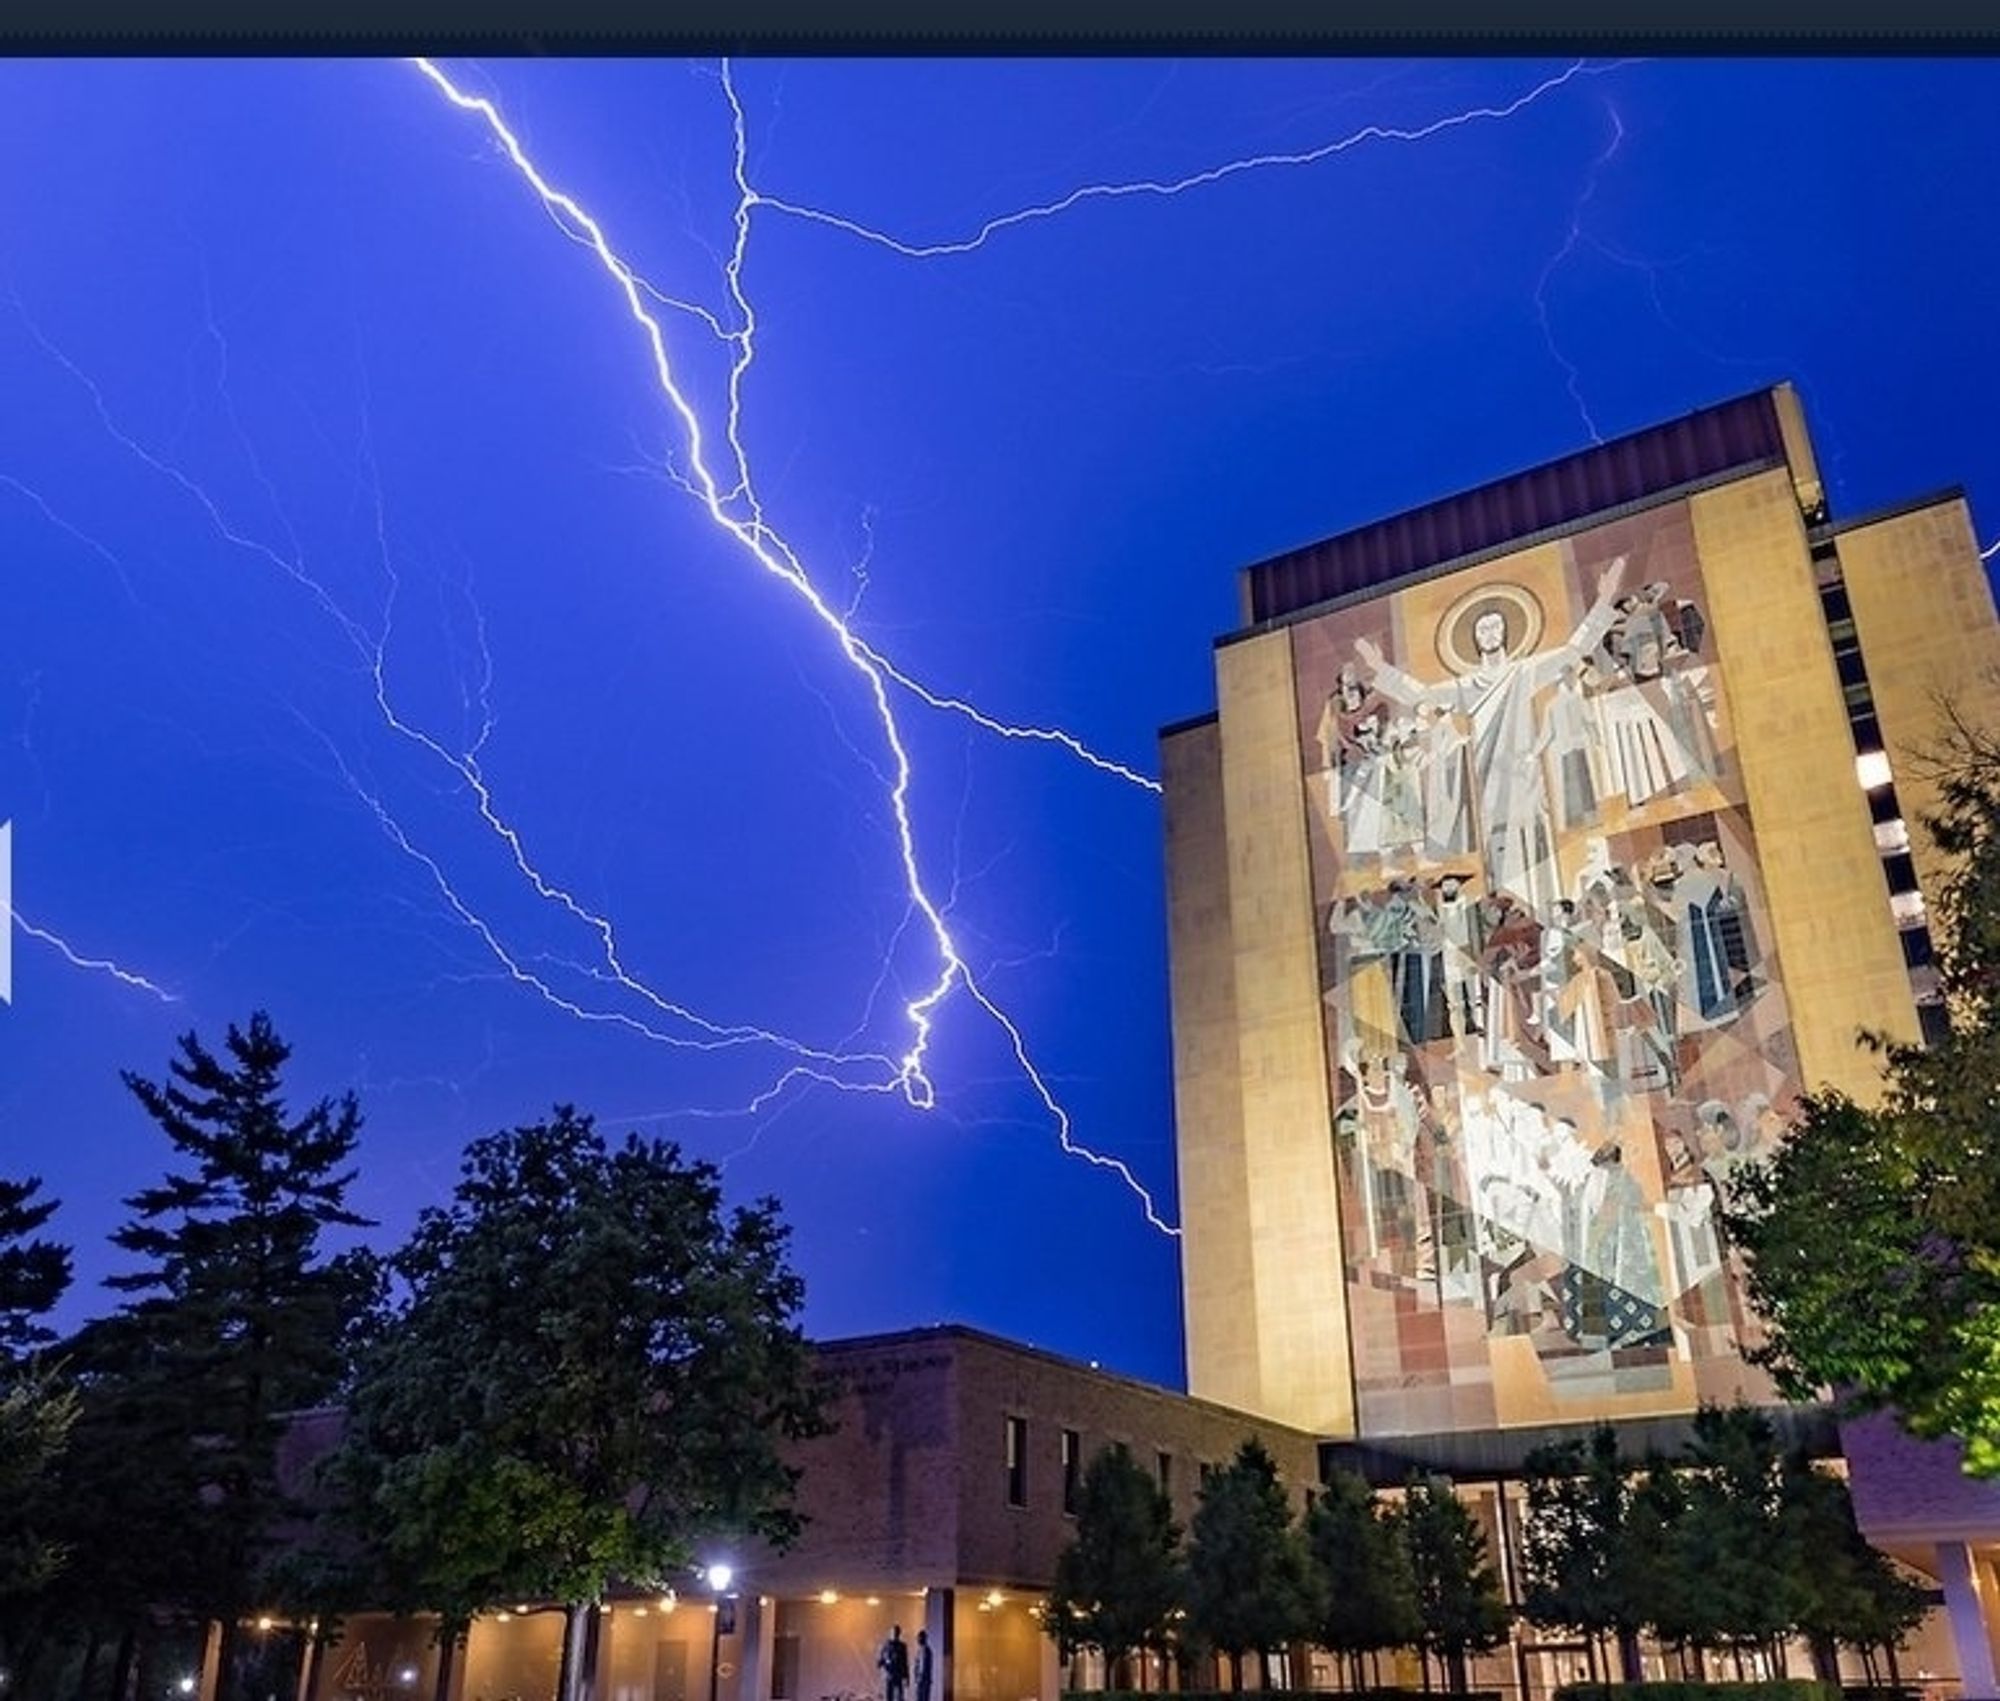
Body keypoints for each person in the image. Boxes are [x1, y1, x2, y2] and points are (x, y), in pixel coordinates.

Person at [879, 1625, 910, 1701]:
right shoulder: (886, 1645)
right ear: (890, 1633)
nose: (894, 1634)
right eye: (893, 1632)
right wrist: (882, 1663)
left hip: (898, 1675)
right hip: (889, 1675)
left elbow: (905, 1662)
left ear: (899, 1634)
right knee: (889, 1697)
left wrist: (906, 1677)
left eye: (896, 1633)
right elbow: (881, 1659)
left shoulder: (902, 1646)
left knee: (899, 1697)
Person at [913, 1629, 934, 1701]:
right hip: (922, 1681)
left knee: (922, 1698)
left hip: (923, 1681)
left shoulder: (925, 1650)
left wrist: (919, 1679)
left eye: (919, 1638)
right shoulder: (920, 1650)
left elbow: (923, 1667)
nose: (918, 1640)